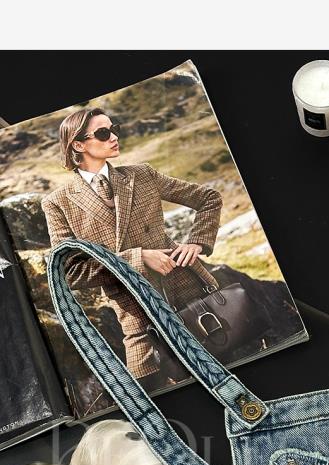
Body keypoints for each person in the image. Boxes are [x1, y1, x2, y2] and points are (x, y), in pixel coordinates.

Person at [41, 107, 223, 391]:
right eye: (103, 133)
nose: (114, 137)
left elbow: (209, 199)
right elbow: (71, 272)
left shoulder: (142, 174)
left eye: (114, 129)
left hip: (188, 290)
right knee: (154, 392)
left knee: (226, 370)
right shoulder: (58, 202)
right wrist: (138, 258)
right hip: (136, 313)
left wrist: (196, 241)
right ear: (78, 145)